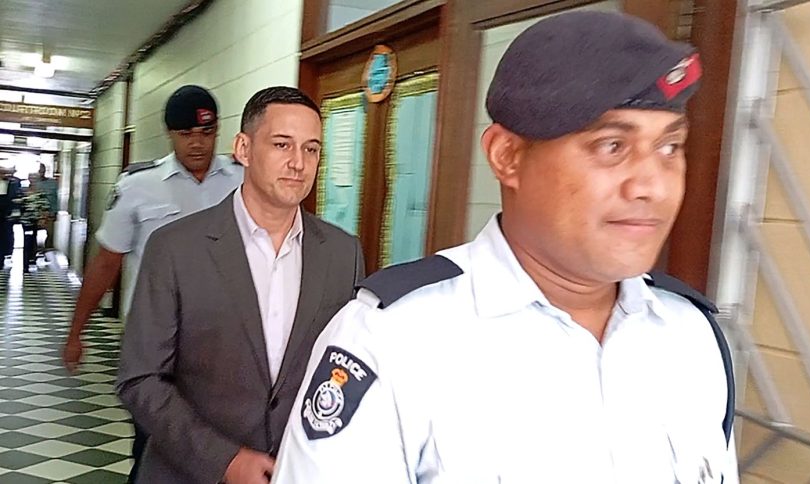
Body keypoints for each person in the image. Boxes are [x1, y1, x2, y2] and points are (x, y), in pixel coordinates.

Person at [273, 11, 738, 484]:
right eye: (611, 146)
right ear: (507, 157)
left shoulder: (689, 338)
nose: (652, 187)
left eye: (669, 147)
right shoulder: (394, 342)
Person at [116, 86, 364, 484]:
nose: (298, 163)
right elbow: (140, 379)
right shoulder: (176, 248)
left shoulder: (342, 253)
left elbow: (345, 368)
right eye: (282, 144)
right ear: (244, 149)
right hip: (187, 474)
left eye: (312, 149)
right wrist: (224, 460)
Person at [63, 84, 243, 483]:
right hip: (157, 345)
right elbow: (106, 263)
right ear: (169, 133)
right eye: (185, 134)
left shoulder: (242, 181)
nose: (197, 143)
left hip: (225, 346)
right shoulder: (138, 186)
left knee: (220, 451)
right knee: (154, 449)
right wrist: (76, 331)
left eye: (206, 133)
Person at [18, 173, 51, 273]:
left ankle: (31, 258)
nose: (33, 180)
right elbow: (19, 205)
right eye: (31, 178)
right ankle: (26, 263)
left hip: (35, 221)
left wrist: (43, 218)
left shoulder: (40, 193)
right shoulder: (23, 192)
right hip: (26, 222)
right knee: (27, 241)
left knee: (33, 241)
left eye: (35, 178)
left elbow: (45, 207)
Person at [32, 162, 59, 252]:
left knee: (51, 234)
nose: (41, 172)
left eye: (42, 170)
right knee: (33, 234)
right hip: (37, 214)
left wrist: (55, 212)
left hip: (50, 213)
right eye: (39, 170)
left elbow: (55, 198)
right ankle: (33, 251)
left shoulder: (52, 183)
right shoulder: (34, 184)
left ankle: (48, 250)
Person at [0, 167, 22, 264]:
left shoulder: (13, 183)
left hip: (7, 212)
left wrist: (14, 210)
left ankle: (7, 253)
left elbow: (15, 196)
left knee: (7, 233)